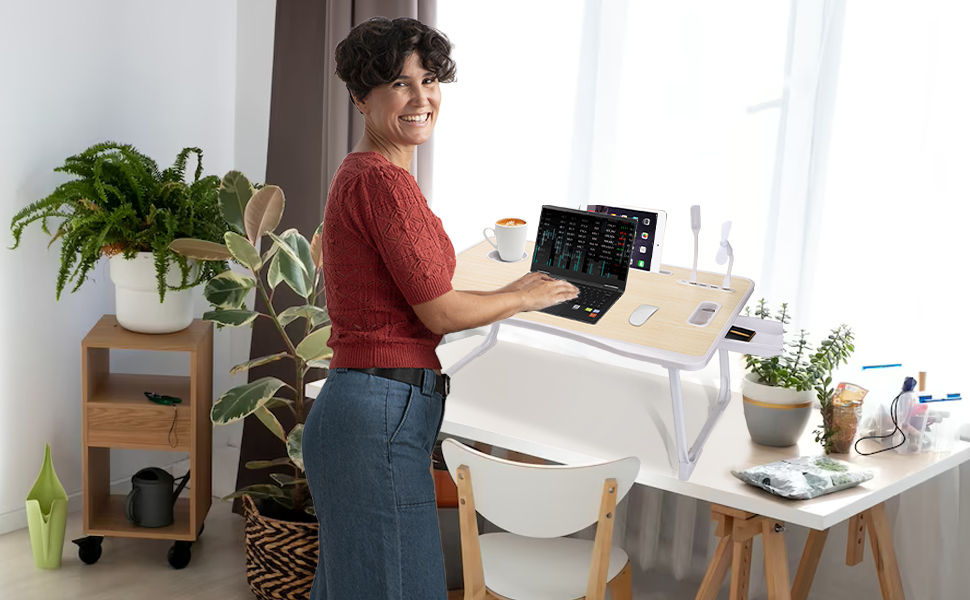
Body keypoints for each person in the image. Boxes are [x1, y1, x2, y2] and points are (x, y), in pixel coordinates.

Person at [301, 16, 578, 600]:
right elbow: (441, 315)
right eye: (400, 84)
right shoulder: (385, 184)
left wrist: (509, 290)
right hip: (378, 414)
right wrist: (523, 298)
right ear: (359, 96)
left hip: (356, 409)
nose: (421, 97)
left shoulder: (358, 175)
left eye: (429, 80)